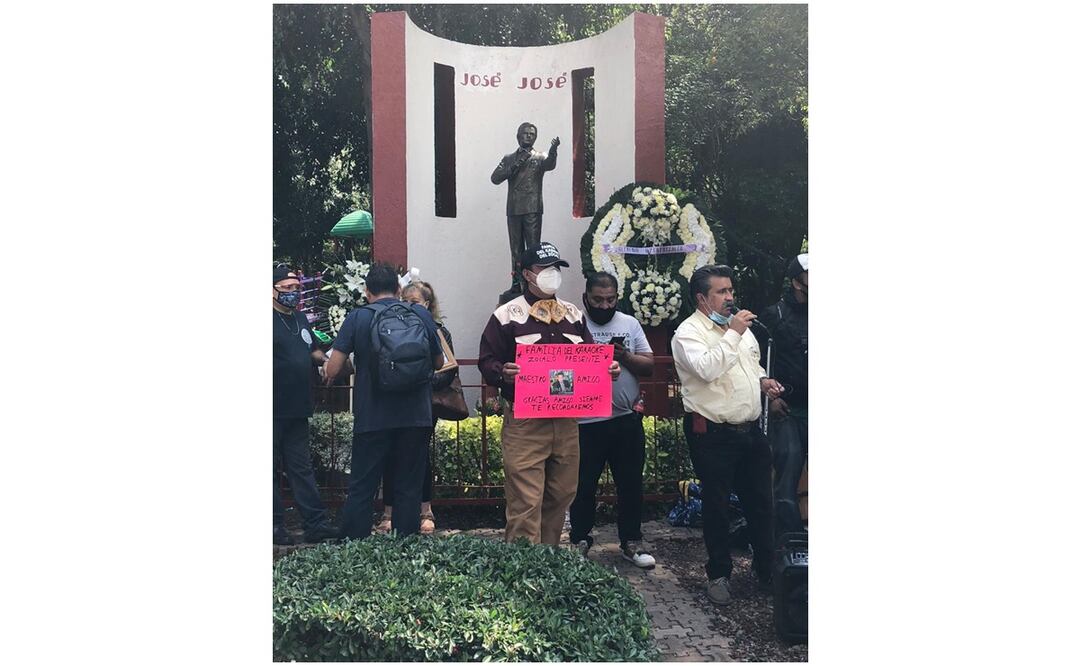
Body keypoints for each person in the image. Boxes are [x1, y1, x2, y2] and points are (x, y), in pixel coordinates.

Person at [478, 241, 620, 545]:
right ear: (527, 274)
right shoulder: (507, 315)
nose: (552, 273)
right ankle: (524, 565)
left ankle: (549, 560)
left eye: (556, 267)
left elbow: (591, 357)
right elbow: (486, 360)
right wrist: (502, 372)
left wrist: (607, 369)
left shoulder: (573, 314)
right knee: (526, 500)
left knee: (562, 494)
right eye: (544, 268)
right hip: (525, 421)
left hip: (566, 421)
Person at [671, 265, 785, 606]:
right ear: (702, 298)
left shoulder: (740, 330)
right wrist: (733, 333)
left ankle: (766, 570)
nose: (730, 297)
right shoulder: (688, 334)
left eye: (731, 290)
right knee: (717, 506)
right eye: (721, 292)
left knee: (761, 503)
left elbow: (750, 365)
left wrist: (763, 381)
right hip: (712, 433)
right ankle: (719, 574)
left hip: (750, 430)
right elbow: (707, 369)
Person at [325, 263, 444, 539]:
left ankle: (354, 546)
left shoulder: (358, 317)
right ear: (399, 289)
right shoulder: (420, 314)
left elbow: (333, 369)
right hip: (415, 416)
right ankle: (404, 547)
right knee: (408, 485)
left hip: (372, 416)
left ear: (367, 291)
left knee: (363, 485)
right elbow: (439, 362)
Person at [569, 272, 657, 568]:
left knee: (630, 485)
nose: (604, 306)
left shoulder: (629, 324)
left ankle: (631, 542)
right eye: (598, 300)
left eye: (610, 300)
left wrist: (625, 356)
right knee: (583, 486)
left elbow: (649, 365)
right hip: (584, 422)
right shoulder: (573, 324)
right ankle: (579, 540)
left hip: (624, 419)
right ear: (586, 298)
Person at [375, 280, 455, 535]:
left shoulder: (438, 330)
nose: (409, 306)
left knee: (419, 456)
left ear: (427, 304)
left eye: (415, 302)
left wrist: (421, 380)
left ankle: (425, 510)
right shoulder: (391, 326)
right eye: (405, 301)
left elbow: (447, 369)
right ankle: (389, 511)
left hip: (424, 403)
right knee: (391, 454)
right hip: (396, 402)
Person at [272, 265, 339, 545]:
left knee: (301, 467)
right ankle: (274, 526)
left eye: (296, 288)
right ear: (272, 290)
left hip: (298, 406)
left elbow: (312, 350)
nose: (293, 293)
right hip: (272, 406)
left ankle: (316, 523)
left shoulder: (300, 318)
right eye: (287, 288)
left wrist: (327, 361)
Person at [757, 254, 809, 538]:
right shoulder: (774, 315)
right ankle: (787, 539)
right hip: (788, 407)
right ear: (797, 282)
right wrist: (771, 398)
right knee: (788, 465)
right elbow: (758, 362)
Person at [490, 122, 560, 295]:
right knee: (516, 249)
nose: (529, 136)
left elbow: (550, 164)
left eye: (532, 134)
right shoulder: (509, 158)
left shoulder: (540, 156)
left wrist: (553, 150)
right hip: (514, 209)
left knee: (533, 249)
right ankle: (516, 283)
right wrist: (514, 166)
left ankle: (533, 285)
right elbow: (495, 178)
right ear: (518, 136)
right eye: (525, 133)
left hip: (532, 209)